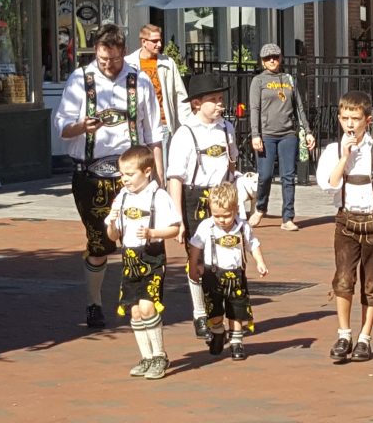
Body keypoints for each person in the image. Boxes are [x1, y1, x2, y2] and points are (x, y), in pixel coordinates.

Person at [54, 23, 163, 328]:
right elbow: (61, 125)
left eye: (113, 60)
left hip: (134, 175)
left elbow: (153, 133)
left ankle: (138, 301)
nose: (108, 66)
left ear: (121, 52)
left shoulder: (138, 80)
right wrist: (81, 127)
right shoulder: (80, 79)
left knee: (139, 238)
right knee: (100, 242)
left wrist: (160, 179)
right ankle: (93, 303)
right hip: (90, 174)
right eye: (103, 60)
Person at [317, 90, 373, 362]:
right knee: (343, 279)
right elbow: (329, 184)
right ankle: (344, 334)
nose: (350, 124)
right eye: (345, 118)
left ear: (368, 119)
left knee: (372, 282)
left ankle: (365, 337)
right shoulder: (333, 150)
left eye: (355, 118)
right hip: (346, 220)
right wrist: (344, 157)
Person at [166, 74, 239, 341]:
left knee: (224, 259)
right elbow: (175, 178)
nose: (220, 105)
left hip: (222, 198)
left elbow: (232, 166)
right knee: (198, 260)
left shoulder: (227, 129)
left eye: (221, 99)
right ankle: (200, 313)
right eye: (213, 100)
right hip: (194, 198)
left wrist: (236, 202)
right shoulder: (185, 134)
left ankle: (217, 315)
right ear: (197, 104)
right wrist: (178, 219)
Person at [104, 146, 182, 380]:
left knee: (148, 306)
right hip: (129, 257)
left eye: (130, 174)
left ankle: (159, 355)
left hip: (151, 255)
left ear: (147, 171)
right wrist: (111, 223)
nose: (124, 179)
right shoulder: (122, 197)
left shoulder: (159, 196)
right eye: (122, 174)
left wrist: (152, 232)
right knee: (135, 311)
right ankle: (146, 357)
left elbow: (175, 228)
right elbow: (113, 236)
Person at [188, 182, 268, 361]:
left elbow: (253, 244)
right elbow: (195, 247)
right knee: (214, 310)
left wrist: (260, 262)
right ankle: (218, 331)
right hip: (212, 275)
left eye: (226, 215)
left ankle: (236, 342)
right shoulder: (206, 226)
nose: (222, 220)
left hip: (236, 275)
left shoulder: (242, 227)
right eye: (217, 215)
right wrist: (193, 266)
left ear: (235, 209)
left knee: (236, 309)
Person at [248, 43, 315, 231]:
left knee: (288, 176)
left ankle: (288, 217)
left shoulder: (288, 79)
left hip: (288, 134)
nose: (272, 60)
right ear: (262, 61)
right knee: (266, 175)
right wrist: (255, 134)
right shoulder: (258, 81)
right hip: (266, 134)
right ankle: (260, 207)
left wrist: (307, 131)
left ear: (281, 58)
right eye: (268, 58)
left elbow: (299, 107)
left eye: (275, 57)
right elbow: (254, 108)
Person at [125, 24, 191, 174]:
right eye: (154, 41)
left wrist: (188, 125)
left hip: (162, 124)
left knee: (162, 171)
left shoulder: (167, 63)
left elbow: (180, 96)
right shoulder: (129, 64)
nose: (159, 45)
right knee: (139, 171)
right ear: (143, 42)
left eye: (160, 40)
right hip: (137, 127)